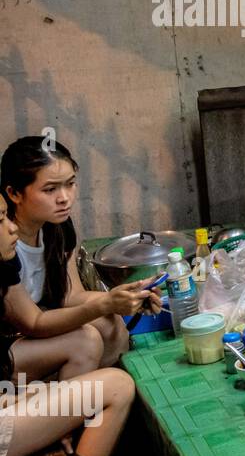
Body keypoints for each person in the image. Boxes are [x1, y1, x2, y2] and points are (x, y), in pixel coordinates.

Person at [0, 203, 136, 456]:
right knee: (118, 386)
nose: (11, 227)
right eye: (1, 220)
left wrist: (24, 396)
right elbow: (34, 324)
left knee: (84, 358)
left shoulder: (53, 233)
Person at [1, 136, 160, 374]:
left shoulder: (57, 227)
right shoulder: (4, 240)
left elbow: (71, 296)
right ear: (14, 193)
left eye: (70, 183)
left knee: (111, 325)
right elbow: (33, 323)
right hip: (10, 342)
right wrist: (106, 303)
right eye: (50, 189)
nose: (64, 197)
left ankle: (89, 395)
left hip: (38, 325)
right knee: (85, 341)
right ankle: (62, 406)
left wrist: (129, 296)